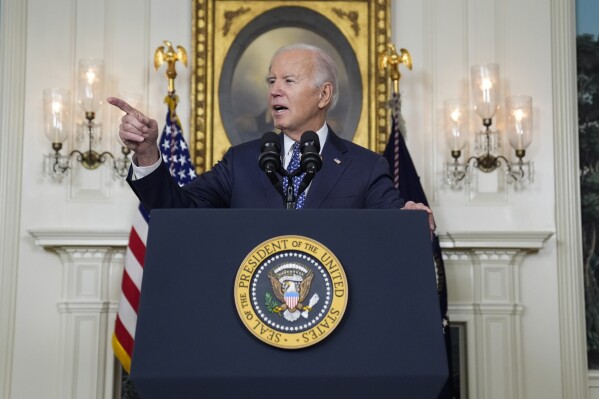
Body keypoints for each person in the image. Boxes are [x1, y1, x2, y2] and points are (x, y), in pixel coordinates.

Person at [107, 43, 435, 230]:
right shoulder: (242, 162)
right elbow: (175, 212)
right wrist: (148, 153)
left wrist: (411, 222)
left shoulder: (365, 167)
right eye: (271, 81)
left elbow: (395, 228)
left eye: (289, 81)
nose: (275, 90)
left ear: (324, 95)